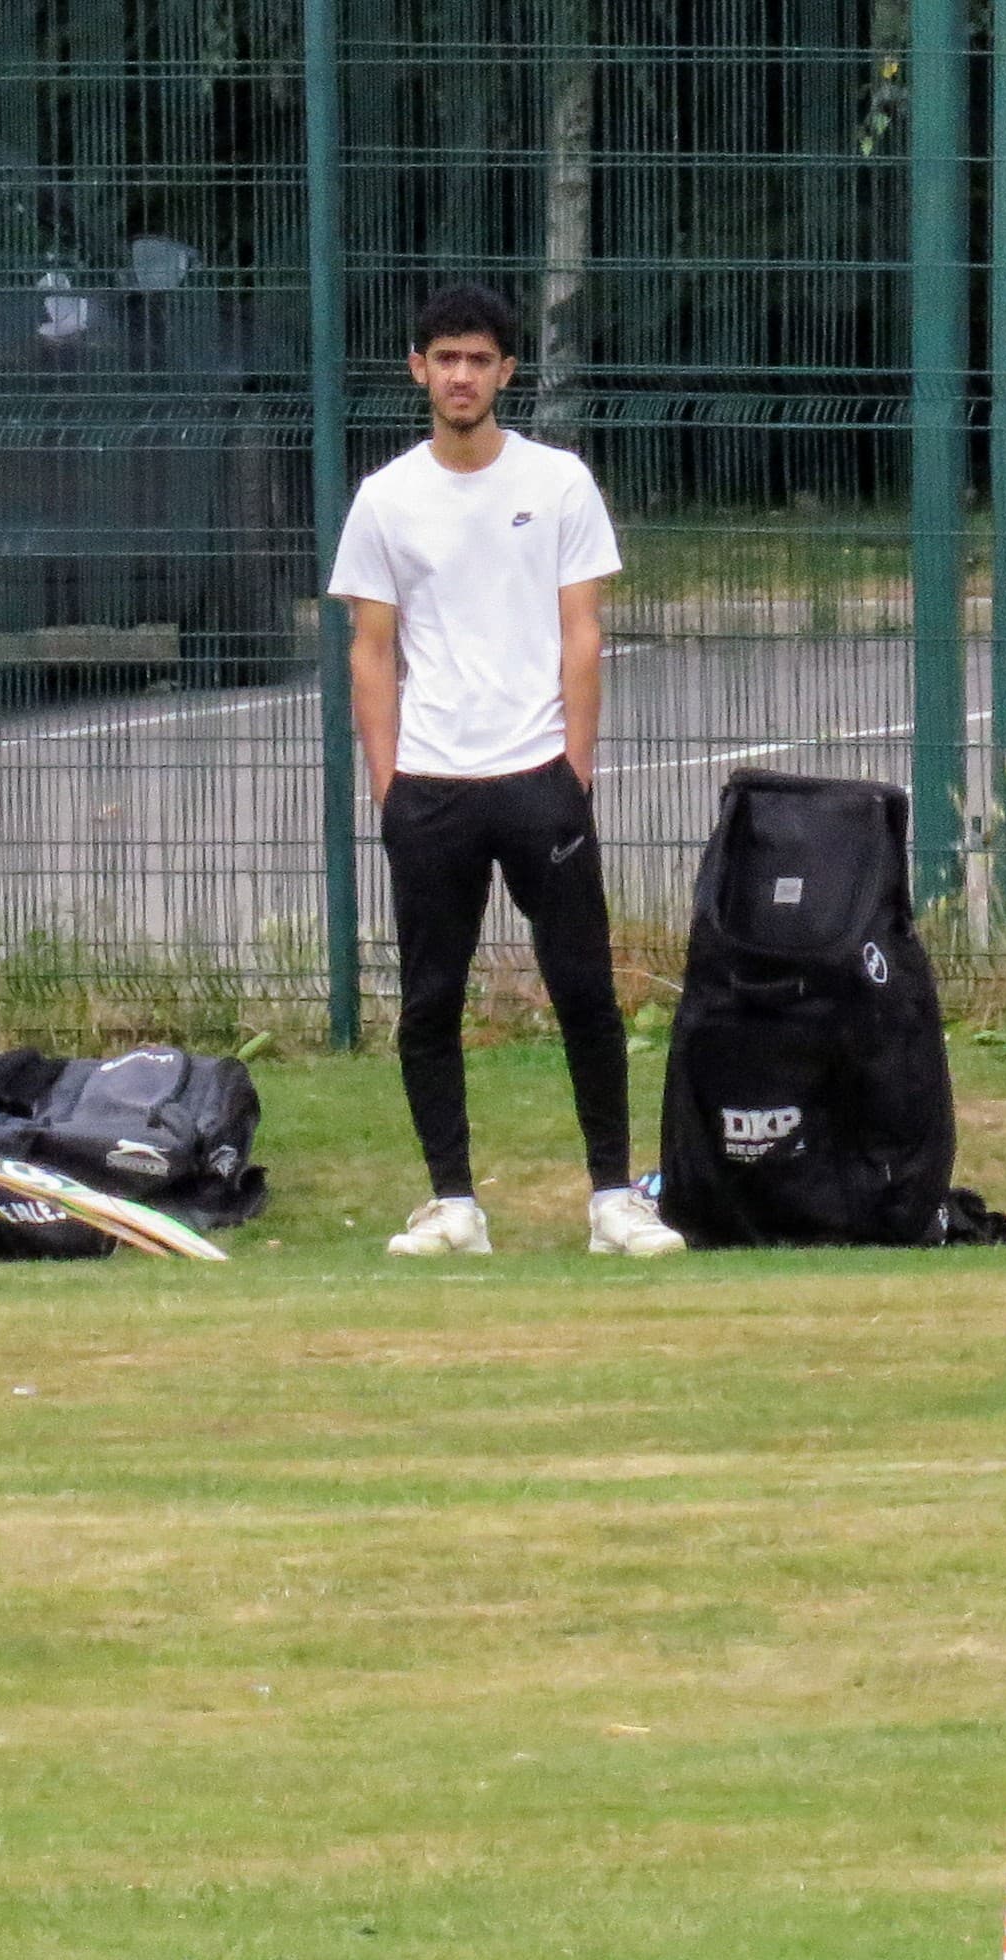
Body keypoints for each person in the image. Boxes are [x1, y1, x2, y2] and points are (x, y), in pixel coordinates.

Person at [331, 281, 683, 1260]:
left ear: (505, 372)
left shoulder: (558, 482)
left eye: (478, 359)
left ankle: (614, 1199)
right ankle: (453, 1206)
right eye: (443, 358)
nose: (459, 375)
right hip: (432, 789)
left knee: (581, 988)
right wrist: (389, 783)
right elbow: (370, 648)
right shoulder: (387, 498)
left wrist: (573, 768)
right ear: (416, 369)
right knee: (429, 1000)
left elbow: (581, 630)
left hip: (539, 780)